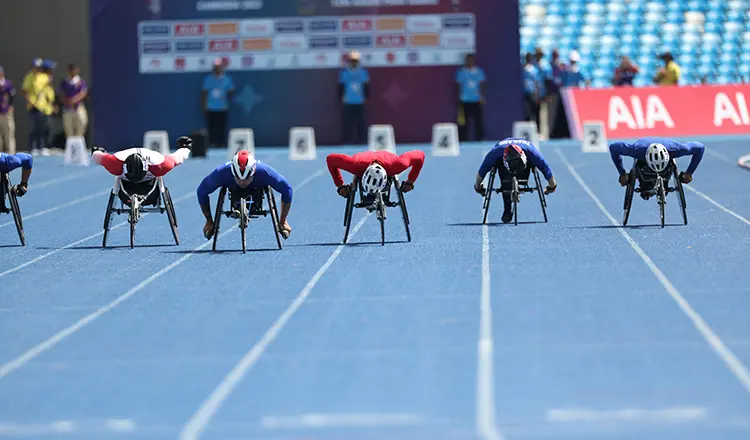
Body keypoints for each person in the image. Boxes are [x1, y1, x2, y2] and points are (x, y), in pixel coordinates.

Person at [197, 150, 293, 240]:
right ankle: (234, 209)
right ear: (233, 172)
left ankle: (283, 222)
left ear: (253, 172)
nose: (242, 182)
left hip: (257, 190)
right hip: (234, 191)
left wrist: (283, 220)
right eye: (238, 178)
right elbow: (201, 191)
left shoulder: (265, 172)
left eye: (247, 178)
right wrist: (209, 220)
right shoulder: (221, 173)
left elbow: (287, 189)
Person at [474, 138, 557, 223]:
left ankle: (507, 204)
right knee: (500, 167)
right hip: (505, 168)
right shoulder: (496, 152)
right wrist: (552, 186)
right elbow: (483, 169)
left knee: (526, 165)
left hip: (524, 167)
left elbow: (545, 168)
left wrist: (478, 187)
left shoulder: (532, 153)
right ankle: (507, 208)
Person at [92, 136, 193, 206]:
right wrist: (97, 151)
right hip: (126, 175)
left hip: (149, 177)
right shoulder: (115, 163)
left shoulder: (159, 165)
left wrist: (186, 148)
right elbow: (97, 156)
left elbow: (178, 157)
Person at [326, 150, 425, 209]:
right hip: (363, 164)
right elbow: (330, 159)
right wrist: (339, 185)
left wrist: (411, 181)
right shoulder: (354, 164)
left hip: (388, 163)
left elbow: (421, 156)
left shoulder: (398, 165)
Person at [609, 138, 704, 199]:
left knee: (667, 171)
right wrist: (622, 173)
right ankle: (646, 188)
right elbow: (613, 148)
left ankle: (663, 184)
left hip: (667, 155)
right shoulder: (635, 150)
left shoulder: (677, 149)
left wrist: (689, 173)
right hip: (643, 157)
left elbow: (700, 148)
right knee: (644, 185)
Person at [202, 59, 235, 148]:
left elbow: (231, 91)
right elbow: (204, 93)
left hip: (222, 108)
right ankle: (211, 143)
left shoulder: (226, 79)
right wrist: (204, 106)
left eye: (219, 67)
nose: (217, 69)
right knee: (211, 127)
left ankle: (220, 143)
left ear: (221, 68)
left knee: (221, 127)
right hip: (211, 108)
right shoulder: (208, 79)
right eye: (215, 67)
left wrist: (230, 91)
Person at [339, 50, 370, 144]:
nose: (353, 62)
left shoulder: (363, 73)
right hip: (348, 102)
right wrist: (341, 97)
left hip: (359, 101)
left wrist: (366, 97)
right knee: (347, 122)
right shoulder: (344, 73)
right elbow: (340, 87)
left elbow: (366, 86)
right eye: (352, 61)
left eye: (355, 61)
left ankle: (362, 140)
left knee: (361, 122)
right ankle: (346, 141)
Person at [455, 53, 486, 141]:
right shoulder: (461, 72)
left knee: (478, 121)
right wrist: (459, 97)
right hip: (465, 100)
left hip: (476, 99)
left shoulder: (479, 71)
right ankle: (463, 139)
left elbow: (482, 84)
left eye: (471, 59)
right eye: (468, 60)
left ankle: (480, 139)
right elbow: (458, 85)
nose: (469, 61)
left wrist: (482, 96)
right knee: (463, 122)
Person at [59, 64, 89, 138]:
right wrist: (67, 101)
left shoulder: (81, 81)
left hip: (78, 106)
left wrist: (74, 100)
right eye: (71, 69)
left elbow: (83, 93)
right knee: (68, 126)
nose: (72, 71)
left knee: (82, 122)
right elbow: (61, 94)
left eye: (74, 69)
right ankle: (70, 141)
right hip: (67, 107)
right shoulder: (65, 82)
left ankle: (79, 140)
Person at [0, 66, 16, 154]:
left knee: (9, 135)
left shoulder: (8, 83)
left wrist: (10, 106)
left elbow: (12, 96)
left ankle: (11, 155)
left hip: (6, 113)